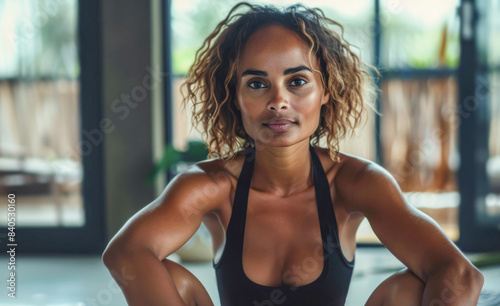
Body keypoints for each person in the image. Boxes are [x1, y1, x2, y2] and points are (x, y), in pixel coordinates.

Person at [102, 2, 484, 305]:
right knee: (169, 277)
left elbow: (460, 273)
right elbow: (125, 253)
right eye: (256, 84)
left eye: (297, 81)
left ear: (326, 90)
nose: (278, 101)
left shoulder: (357, 183)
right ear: (234, 97)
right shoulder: (210, 185)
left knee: (410, 290)